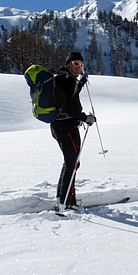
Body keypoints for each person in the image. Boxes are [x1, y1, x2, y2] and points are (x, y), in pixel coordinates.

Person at [51, 51, 96, 210]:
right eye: (76, 63)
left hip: (60, 126)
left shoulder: (64, 78)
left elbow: (70, 95)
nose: (79, 67)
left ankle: (61, 197)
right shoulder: (66, 79)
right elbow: (68, 106)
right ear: (68, 64)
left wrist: (81, 83)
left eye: (81, 64)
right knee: (72, 163)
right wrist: (85, 118)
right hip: (66, 126)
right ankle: (67, 202)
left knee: (71, 161)